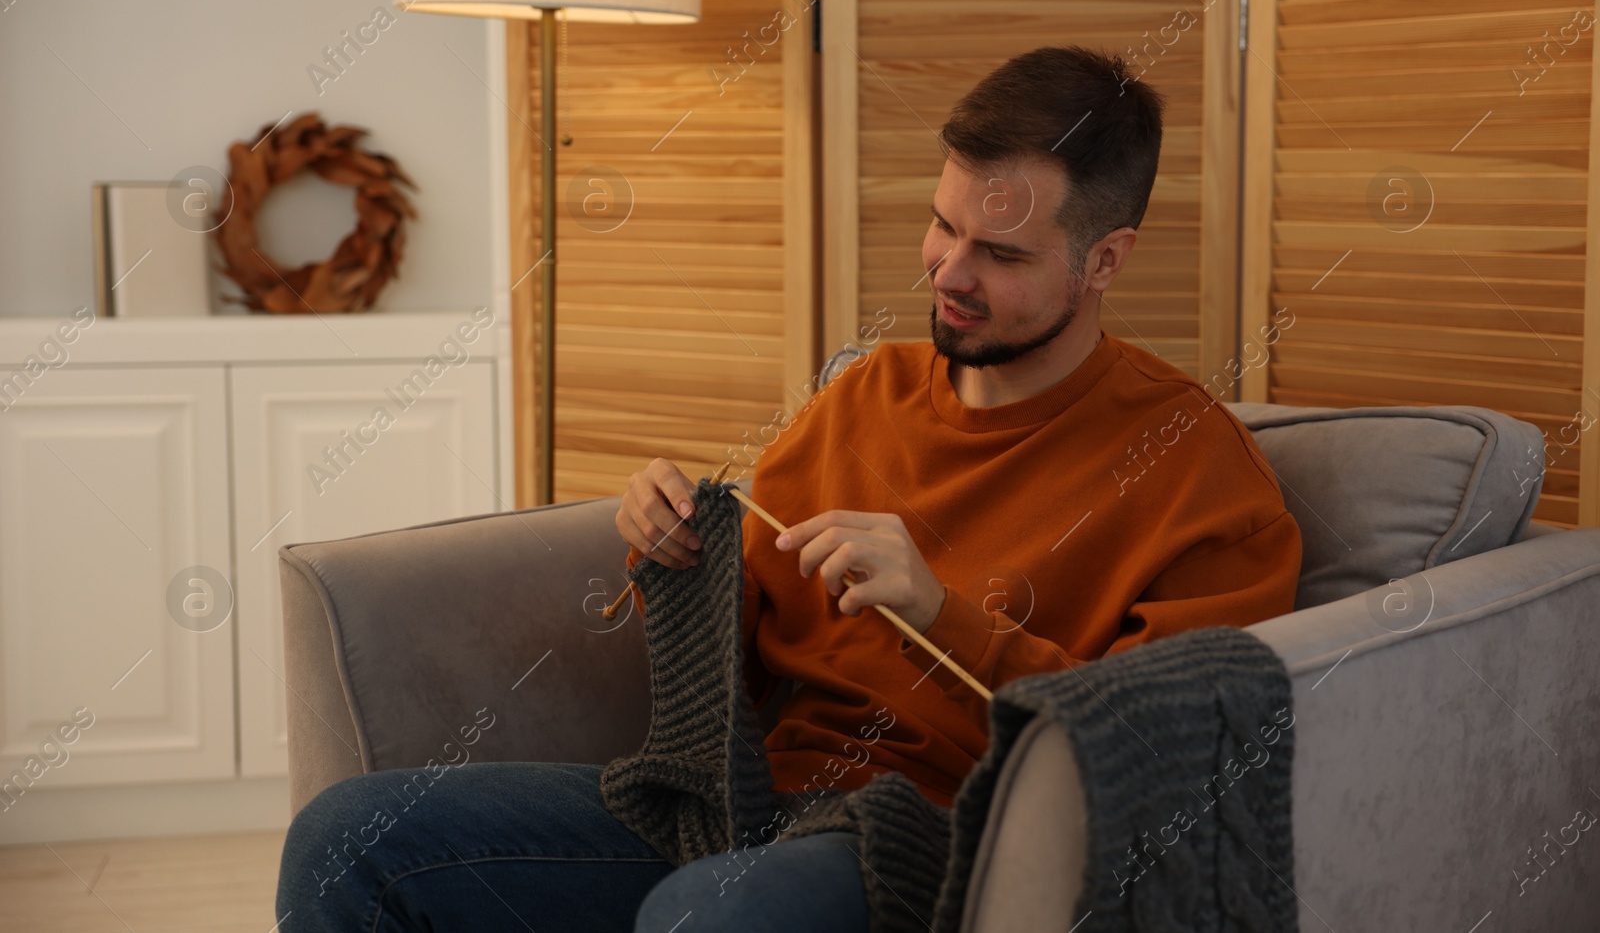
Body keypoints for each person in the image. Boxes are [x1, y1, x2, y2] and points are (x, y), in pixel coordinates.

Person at [275, 45, 1302, 933]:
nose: (948, 268)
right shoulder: (865, 396)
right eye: (942, 225)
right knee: (347, 838)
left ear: (1104, 260)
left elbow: (1156, 760)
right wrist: (673, 551)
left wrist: (940, 611)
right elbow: (742, 646)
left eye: (1000, 252)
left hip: (945, 835)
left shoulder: (1197, 474)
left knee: (712, 911)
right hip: (745, 798)